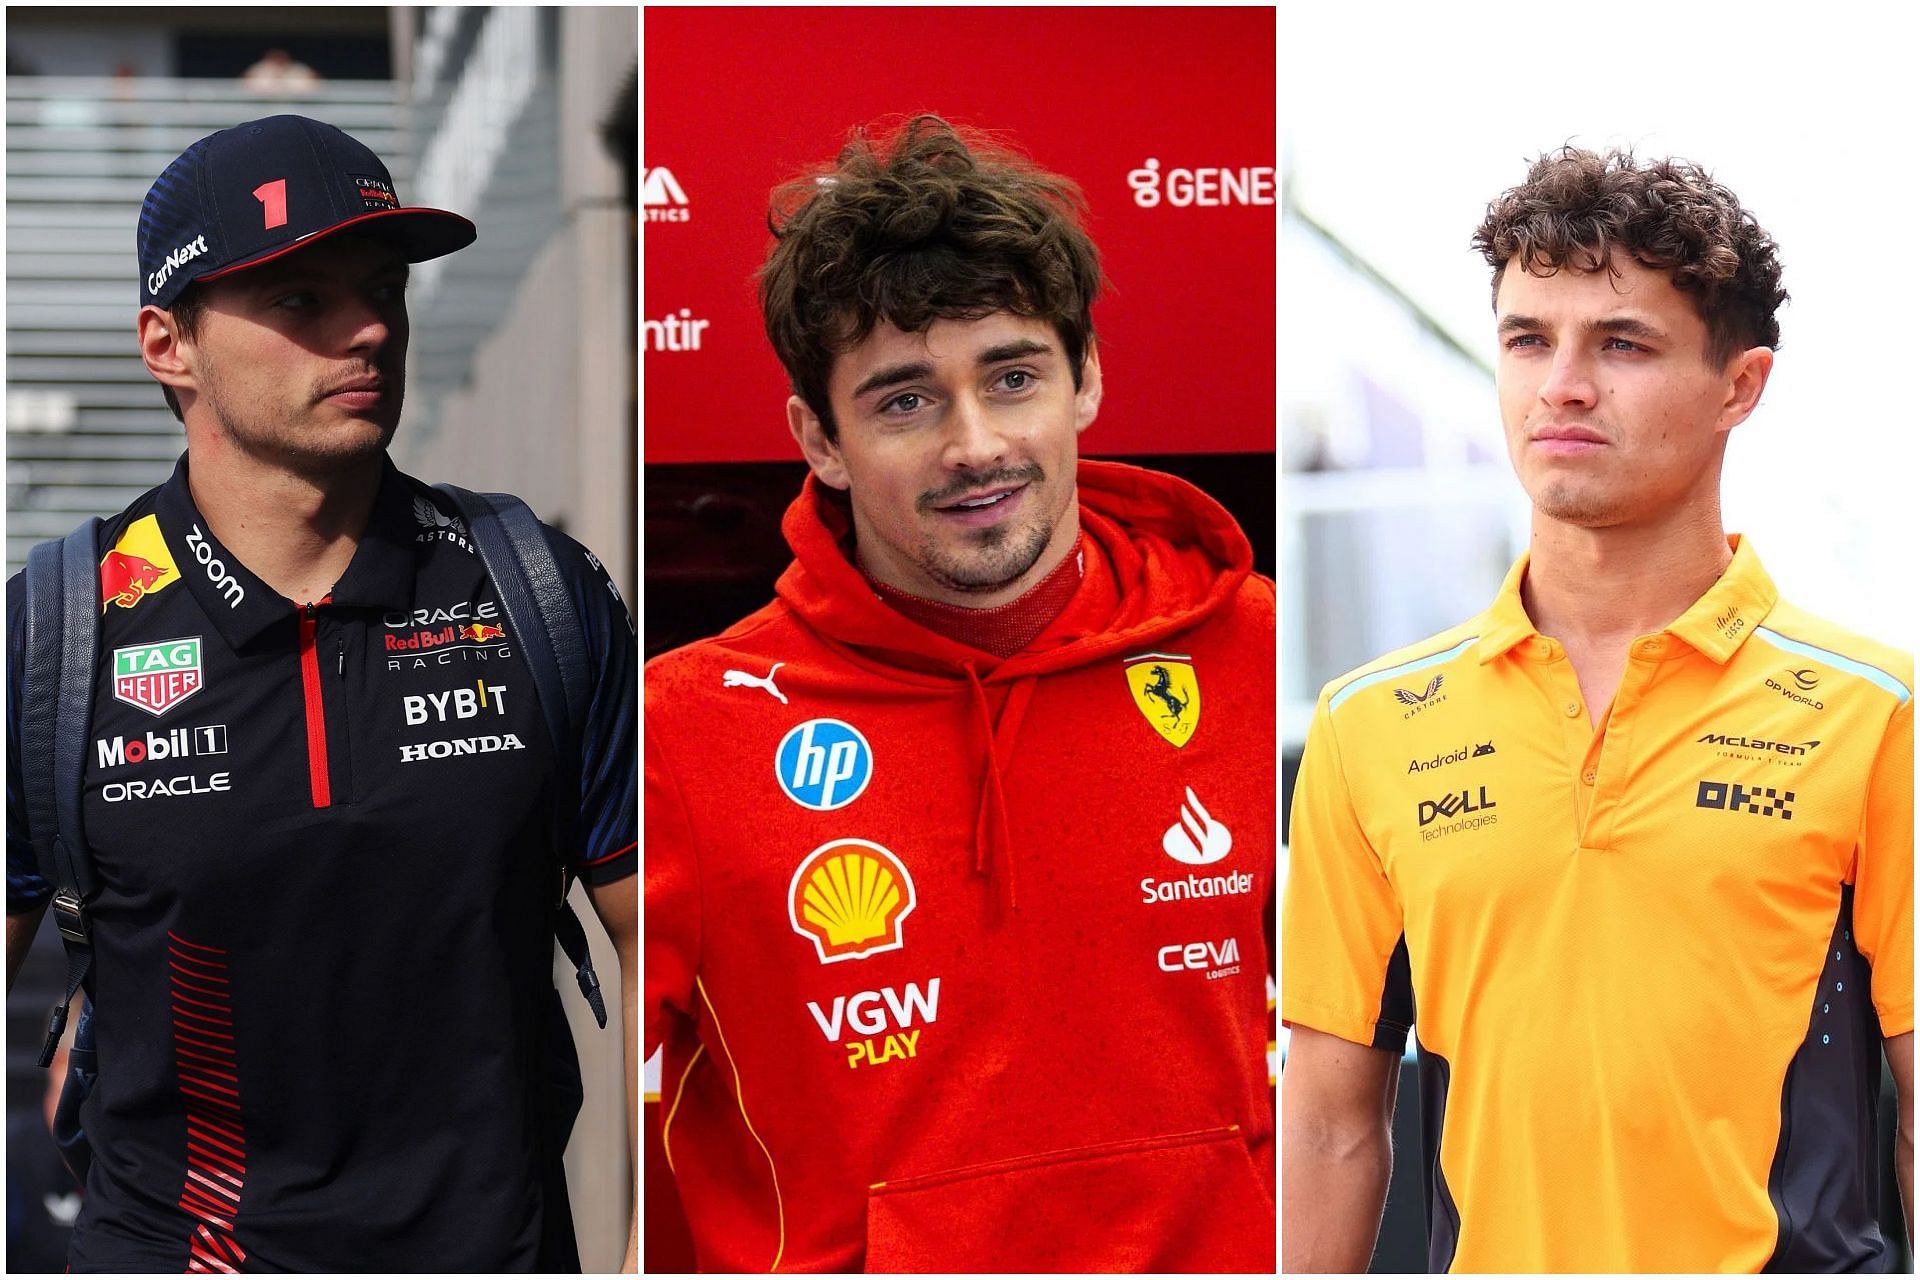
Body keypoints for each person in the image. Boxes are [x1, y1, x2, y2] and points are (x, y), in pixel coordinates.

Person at [3, 114, 638, 1272]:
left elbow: (669, 958)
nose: (370, 329)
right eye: (300, 299)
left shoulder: (535, 587)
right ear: (167, 343)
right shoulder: (52, 633)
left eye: (382, 286)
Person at [643, 116, 1276, 1272]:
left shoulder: (1263, 652)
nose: (974, 444)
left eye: (1013, 376)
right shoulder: (685, 730)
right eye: (903, 401)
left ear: (1085, 379)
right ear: (818, 440)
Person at [1281, 147, 1914, 1273]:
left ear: (1741, 385)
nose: (1561, 384)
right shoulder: (1367, 724)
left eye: (1620, 343)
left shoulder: (1879, 716)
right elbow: (1330, 1126)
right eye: (1529, 338)